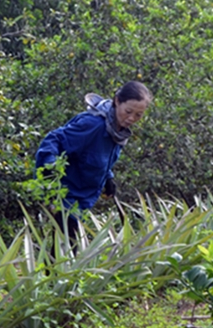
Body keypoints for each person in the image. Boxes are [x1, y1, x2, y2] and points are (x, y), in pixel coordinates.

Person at [35, 81, 153, 245]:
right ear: (117, 101)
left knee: (66, 249)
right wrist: (50, 166)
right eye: (128, 111)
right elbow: (53, 139)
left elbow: (96, 156)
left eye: (138, 115)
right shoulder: (94, 125)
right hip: (65, 195)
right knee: (66, 251)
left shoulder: (117, 131)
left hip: (82, 198)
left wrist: (108, 178)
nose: (131, 118)